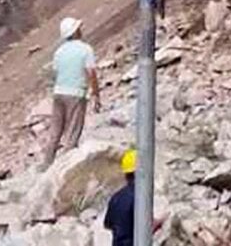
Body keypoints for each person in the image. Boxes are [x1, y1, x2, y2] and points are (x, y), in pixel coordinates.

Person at [41, 17, 99, 168]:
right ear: (74, 32)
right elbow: (91, 72)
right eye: (78, 28)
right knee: (73, 130)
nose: (81, 30)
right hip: (76, 94)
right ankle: (66, 165)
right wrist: (96, 94)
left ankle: (47, 163)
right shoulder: (86, 49)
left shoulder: (59, 52)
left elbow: (55, 72)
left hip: (59, 93)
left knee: (56, 129)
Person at [102, 149, 164, 245]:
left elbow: (107, 224)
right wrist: (161, 222)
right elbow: (147, 229)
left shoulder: (116, 197)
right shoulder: (141, 197)